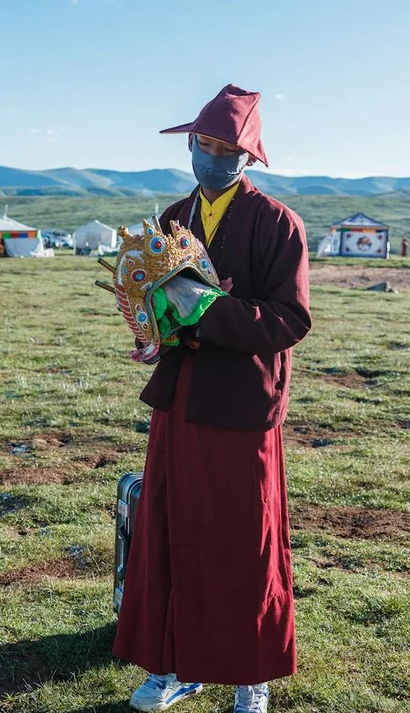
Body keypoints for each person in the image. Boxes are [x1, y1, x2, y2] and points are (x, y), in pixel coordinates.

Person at [113, 85, 310, 713]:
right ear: (190, 145)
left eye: (229, 148)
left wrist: (213, 310)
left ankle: (249, 672)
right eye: (205, 144)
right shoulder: (173, 218)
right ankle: (174, 665)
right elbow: (157, 303)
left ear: (249, 156)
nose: (214, 156)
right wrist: (153, 334)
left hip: (243, 404)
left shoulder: (277, 223)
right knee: (170, 531)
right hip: (182, 396)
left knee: (243, 538)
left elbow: (290, 319)